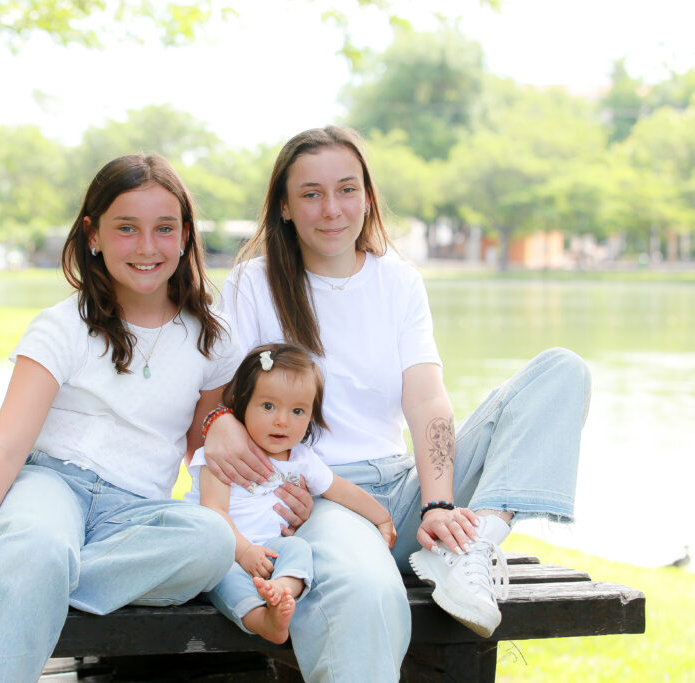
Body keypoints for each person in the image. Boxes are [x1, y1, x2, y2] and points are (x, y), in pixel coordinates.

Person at [204, 126, 591, 681]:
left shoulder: (399, 281)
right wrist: (269, 482)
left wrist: (437, 506)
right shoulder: (253, 284)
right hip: (321, 497)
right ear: (285, 207)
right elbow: (221, 406)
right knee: (369, 591)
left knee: (560, 371)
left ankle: (472, 544)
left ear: (367, 197)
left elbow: (428, 402)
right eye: (311, 194)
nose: (332, 209)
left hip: (403, 487)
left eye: (347, 189)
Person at [0, 154, 241, 682]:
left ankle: (8, 572)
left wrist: (222, 431)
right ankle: (10, 564)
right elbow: (4, 446)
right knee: (41, 544)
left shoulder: (212, 337)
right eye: (126, 228)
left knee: (211, 542)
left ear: (185, 236)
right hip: (52, 486)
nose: (147, 246)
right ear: (93, 235)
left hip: (134, 516)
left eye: (164, 228)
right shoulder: (63, 327)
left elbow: (201, 447)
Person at [185, 343, 396, 644]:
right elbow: (214, 511)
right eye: (268, 406)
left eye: (297, 411)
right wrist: (243, 552)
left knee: (299, 549)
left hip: (271, 550)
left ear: (311, 416)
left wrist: (383, 518)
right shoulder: (225, 455)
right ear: (242, 404)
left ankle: (283, 589)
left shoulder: (301, 459)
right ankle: (262, 620)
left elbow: (342, 490)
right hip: (226, 549)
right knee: (224, 576)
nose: (282, 420)